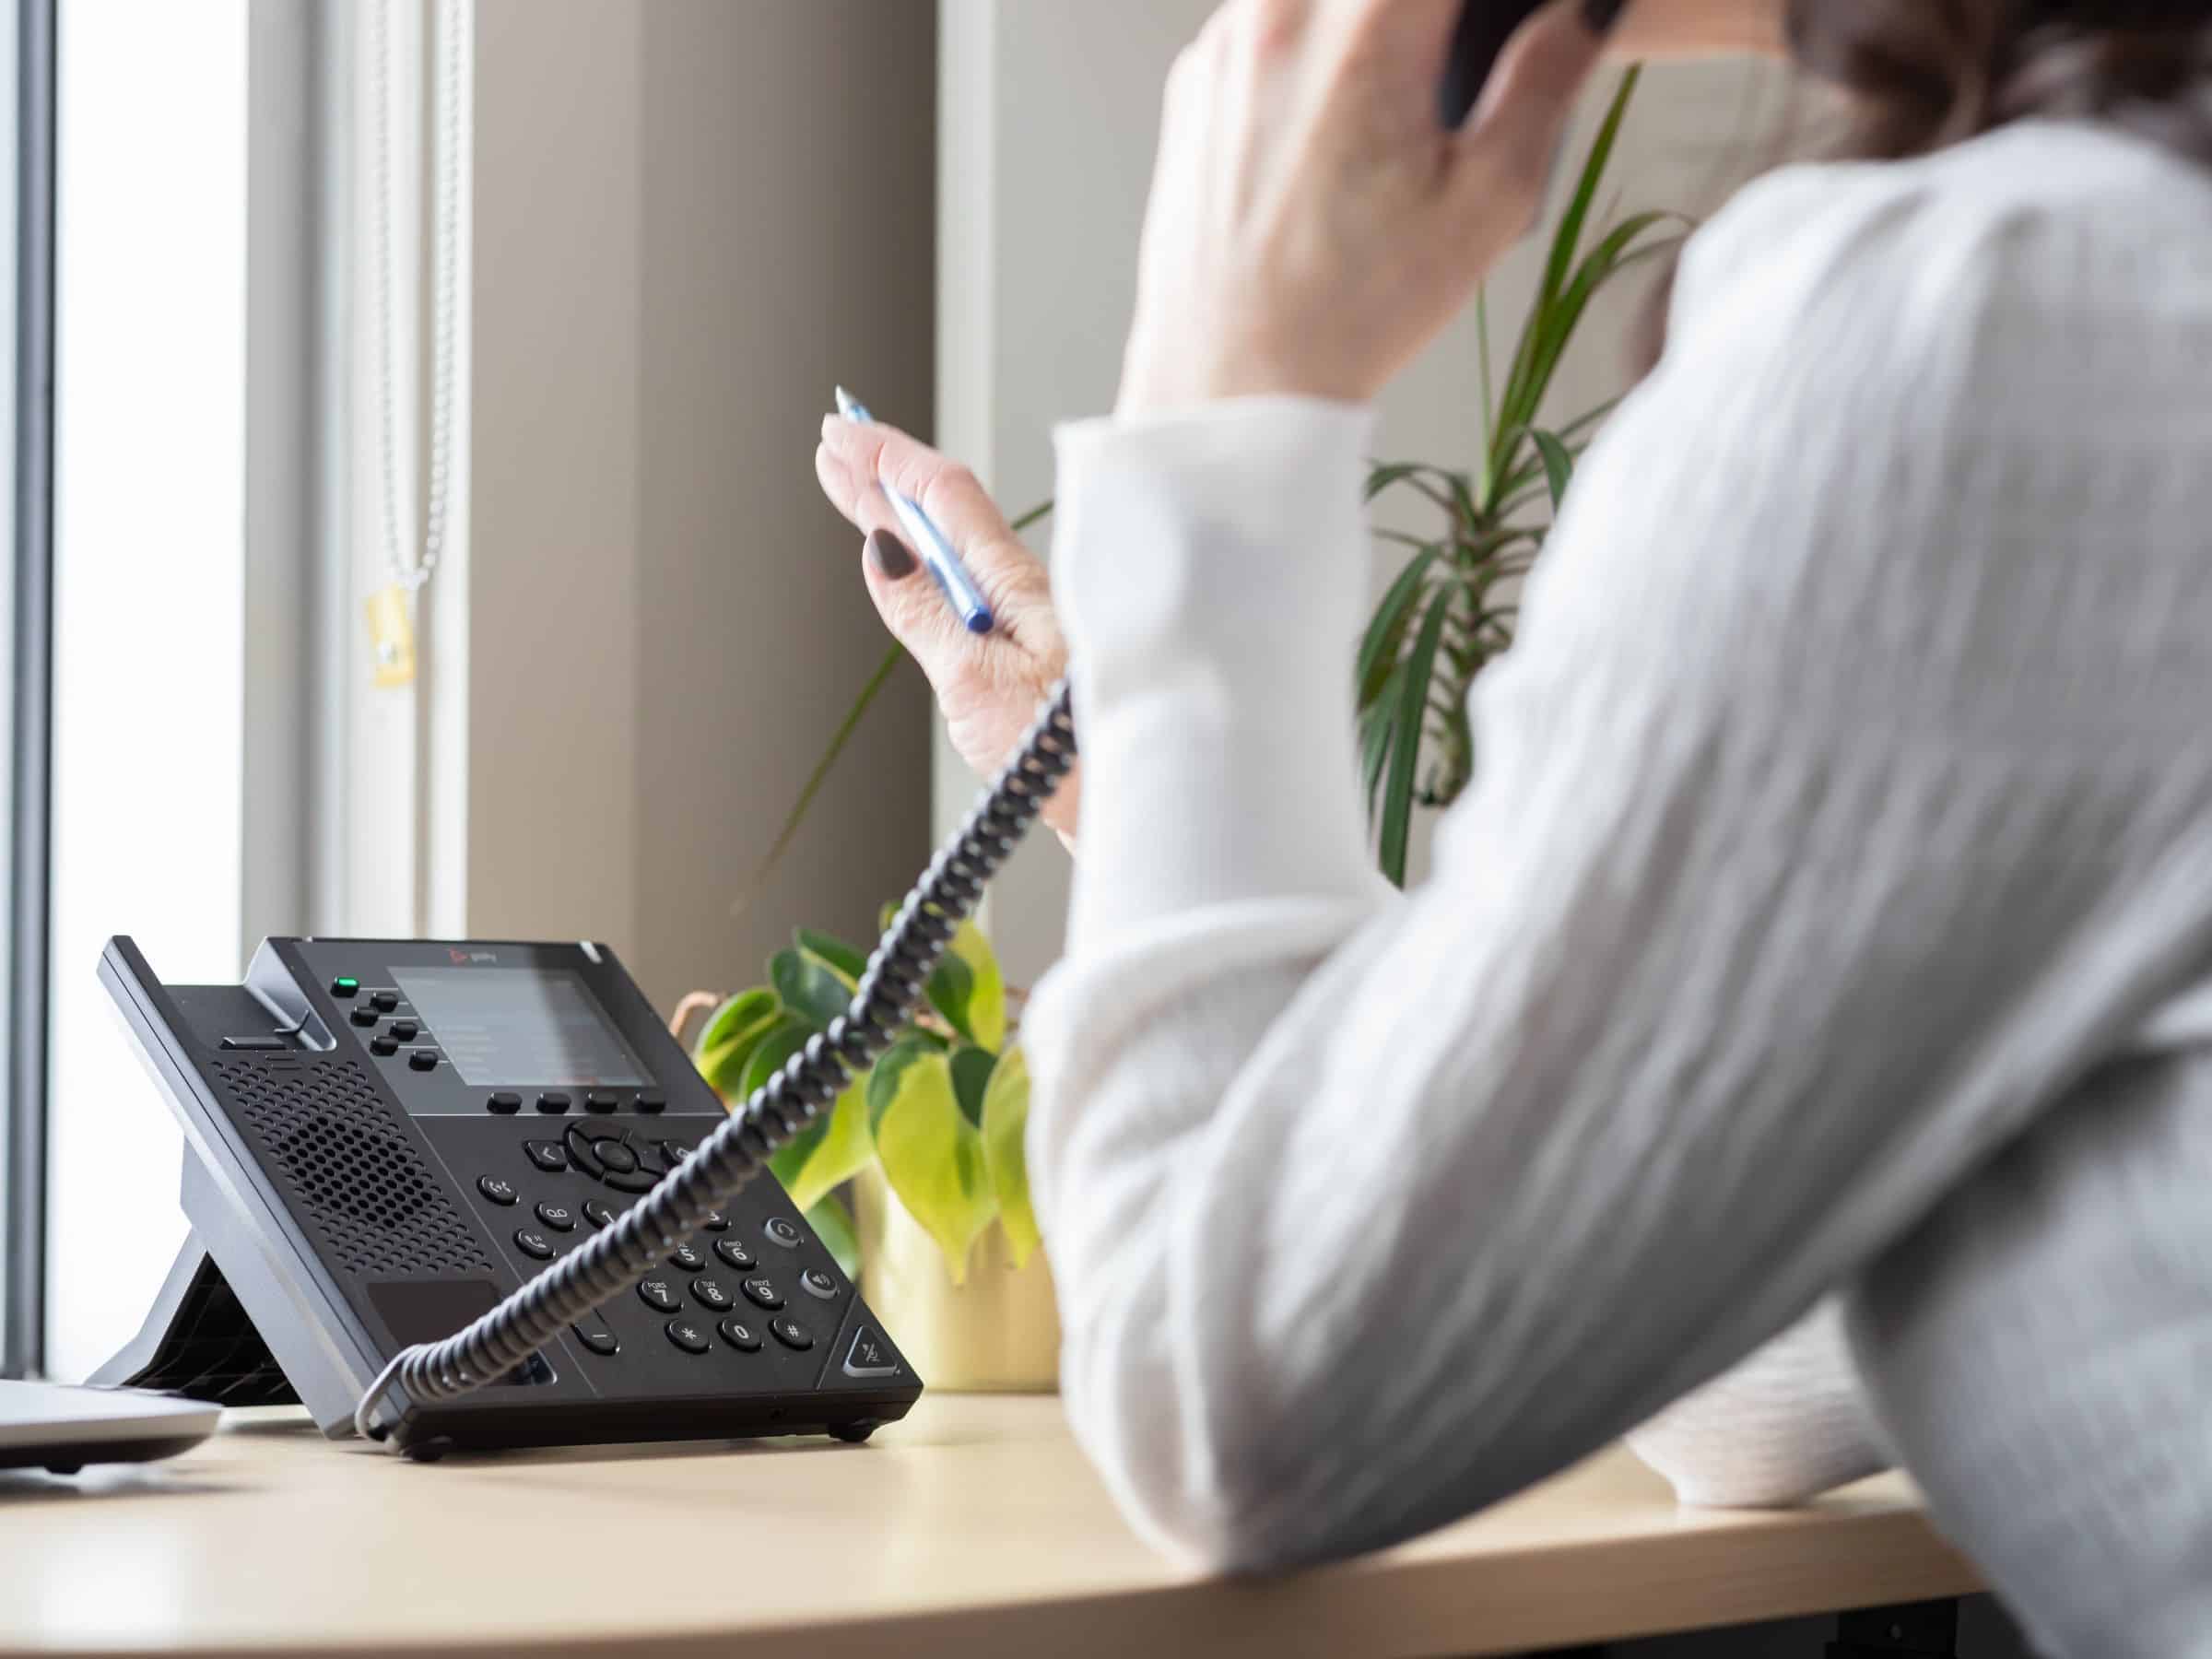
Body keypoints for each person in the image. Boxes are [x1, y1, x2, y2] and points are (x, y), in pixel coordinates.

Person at [815, 2, 2212, 1652]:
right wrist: (1130, 780)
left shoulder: (1999, 319)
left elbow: (1237, 1406)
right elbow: (1727, 1379)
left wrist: (1221, 399)